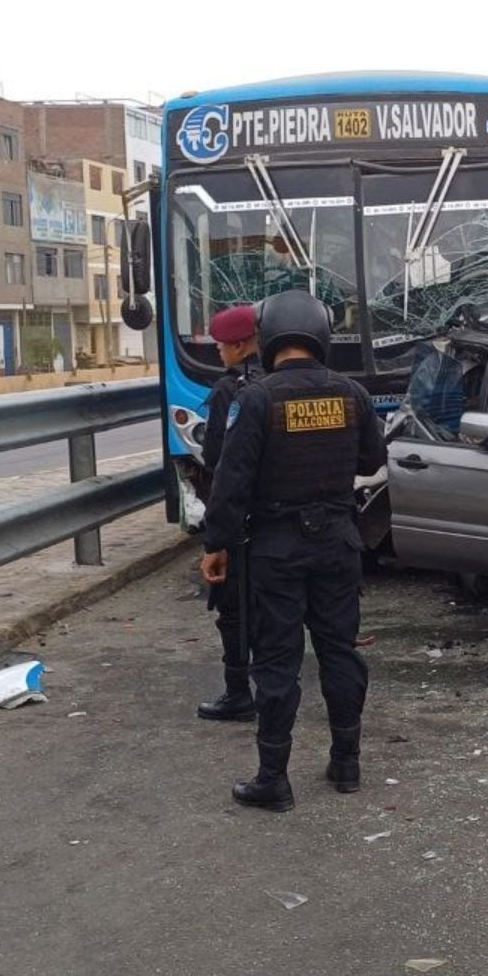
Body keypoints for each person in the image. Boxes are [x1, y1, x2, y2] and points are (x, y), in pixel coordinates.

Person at [199, 290, 386, 809]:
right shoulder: (351, 393)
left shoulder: (254, 399)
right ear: (320, 334)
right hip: (338, 542)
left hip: (276, 547)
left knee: (277, 660)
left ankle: (273, 780)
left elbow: (230, 482)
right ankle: (346, 763)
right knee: (339, 651)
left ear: (271, 335)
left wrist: (216, 545)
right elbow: (373, 458)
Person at [194, 305, 264, 722]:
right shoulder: (278, 379)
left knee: (235, 610)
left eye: (221, 345)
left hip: (240, 520)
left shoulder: (229, 390)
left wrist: (214, 536)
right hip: (281, 517)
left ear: (240, 345)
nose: (219, 352)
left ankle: (239, 692)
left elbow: (217, 458)